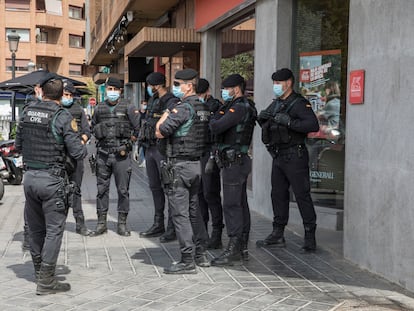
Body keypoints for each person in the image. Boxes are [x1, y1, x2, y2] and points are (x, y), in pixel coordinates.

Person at [15, 73, 87, 295]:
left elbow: (18, 145)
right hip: (52, 181)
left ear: (42, 92)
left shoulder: (27, 113)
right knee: (54, 230)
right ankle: (46, 281)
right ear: (60, 95)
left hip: (30, 179)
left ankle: (38, 272)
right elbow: (78, 152)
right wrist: (82, 141)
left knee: (36, 229)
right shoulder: (62, 116)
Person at [256, 68, 320, 252]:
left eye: (278, 83)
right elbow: (269, 123)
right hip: (278, 155)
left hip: (295, 155)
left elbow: (312, 125)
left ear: (288, 83)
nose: (275, 86)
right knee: (278, 195)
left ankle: (310, 236)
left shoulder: (299, 103)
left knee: (301, 195)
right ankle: (277, 233)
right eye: (274, 83)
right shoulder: (276, 103)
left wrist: (290, 122)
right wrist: (263, 119)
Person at [155, 68, 210, 274]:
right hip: (196, 165)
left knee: (180, 214)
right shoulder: (203, 107)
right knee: (195, 212)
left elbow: (160, 131)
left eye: (178, 84)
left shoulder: (183, 108)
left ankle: (187, 260)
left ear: (189, 86)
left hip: (180, 166)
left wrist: (166, 114)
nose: (175, 88)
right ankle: (201, 253)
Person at [209, 74, 257, 266]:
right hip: (237, 160)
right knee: (240, 203)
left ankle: (234, 247)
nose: (224, 92)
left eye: (226, 88)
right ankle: (242, 246)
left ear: (236, 89)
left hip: (234, 161)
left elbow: (216, 126)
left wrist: (215, 119)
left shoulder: (238, 107)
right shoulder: (242, 106)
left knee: (231, 204)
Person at [90, 77, 140, 237]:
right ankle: (101, 223)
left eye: (115, 89)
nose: (111, 92)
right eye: (109, 89)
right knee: (101, 190)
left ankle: (122, 224)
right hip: (103, 155)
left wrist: (127, 145)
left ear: (120, 91)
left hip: (121, 157)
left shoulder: (129, 107)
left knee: (123, 190)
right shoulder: (99, 108)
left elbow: (138, 130)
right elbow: (93, 128)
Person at [139, 72, 179, 243]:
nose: (148, 88)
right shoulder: (153, 100)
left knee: (169, 188)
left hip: (162, 150)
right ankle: (158, 223)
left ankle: (172, 227)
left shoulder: (171, 101)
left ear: (156, 85)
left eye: (150, 85)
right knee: (155, 187)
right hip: (150, 148)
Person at [196, 78, 224, 249]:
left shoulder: (215, 106)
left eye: (200, 94)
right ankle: (202, 232)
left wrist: (214, 155)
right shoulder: (192, 105)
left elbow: (217, 132)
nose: (198, 97)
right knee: (199, 195)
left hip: (209, 154)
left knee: (210, 194)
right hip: (197, 153)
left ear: (207, 91)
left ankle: (217, 233)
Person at [61, 81, 91, 236]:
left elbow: (87, 130)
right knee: (58, 192)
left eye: (70, 95)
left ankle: (80, 225)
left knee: (76, 190)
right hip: (59, 157)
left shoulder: (78, 110)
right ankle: (58, 224)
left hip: (75, 157)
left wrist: (82, 141)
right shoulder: (56, 109)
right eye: (65, 94)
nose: (68, 97)